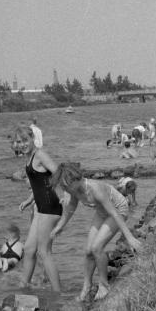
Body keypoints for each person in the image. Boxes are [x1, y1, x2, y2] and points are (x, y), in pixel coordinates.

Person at [49, 163, 142, 301]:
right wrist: (59, 226)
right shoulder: (73, 190)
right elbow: (71, 207)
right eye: (62, 187)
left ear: (74, 180)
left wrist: (129, 237)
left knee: (96, 248)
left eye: (64, 186)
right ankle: (86, 287)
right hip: (101, 212)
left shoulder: (95, 188)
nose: (63, 189)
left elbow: (114, 213)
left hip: (118, 209)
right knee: (88, 251)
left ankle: (104, 285)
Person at [15, 125, 63, 291]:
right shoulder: (28, 157)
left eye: (25, 141)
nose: (22, 144)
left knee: (44, 252)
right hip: (40, 206)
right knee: (29, 250)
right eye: (19, 142)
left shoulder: (40, 154)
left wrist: (67, 196)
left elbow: (58, 172)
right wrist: (29, 200)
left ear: (32, 139)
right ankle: (24, 287)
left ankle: (58, 294)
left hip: (50, 206)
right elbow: (39, 185)